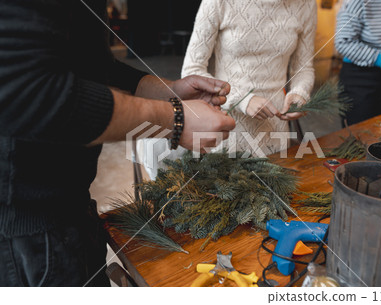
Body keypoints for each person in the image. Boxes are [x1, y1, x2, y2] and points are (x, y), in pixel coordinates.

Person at [0, 0, 235, 286]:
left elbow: (91, 68)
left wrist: (168, 91)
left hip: (70, 208)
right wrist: (175, 119)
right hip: (27, 235)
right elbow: (31, 92)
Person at [181, 0, 317, 155]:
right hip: (226, 125)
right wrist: (242, 99)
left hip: (275, 130)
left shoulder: (306, 4)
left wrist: (300, 93)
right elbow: (192, 70)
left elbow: (304, 68)